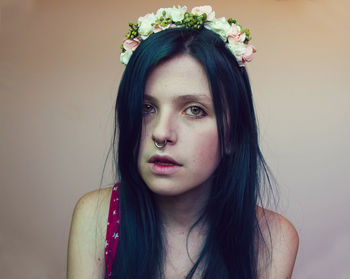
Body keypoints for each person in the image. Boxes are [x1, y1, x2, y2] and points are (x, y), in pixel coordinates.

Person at [67, 5, 299, 279]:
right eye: (146, 107)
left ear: (234, 134)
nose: (161, 133)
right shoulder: (96, 216)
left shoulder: (273, 239)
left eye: (194, 110)